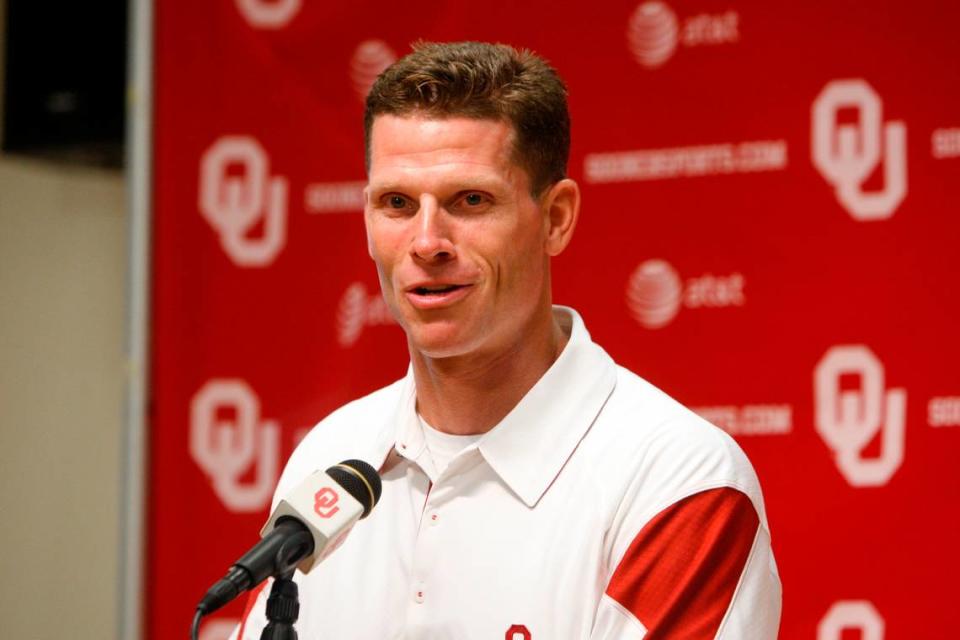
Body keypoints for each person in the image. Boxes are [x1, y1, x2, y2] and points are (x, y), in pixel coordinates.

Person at [232, 41, 781, 639]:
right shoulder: (331, 456)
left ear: (556, 218)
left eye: (470, 201)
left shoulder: (678, 478)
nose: (425, 242)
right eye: (396, 203)